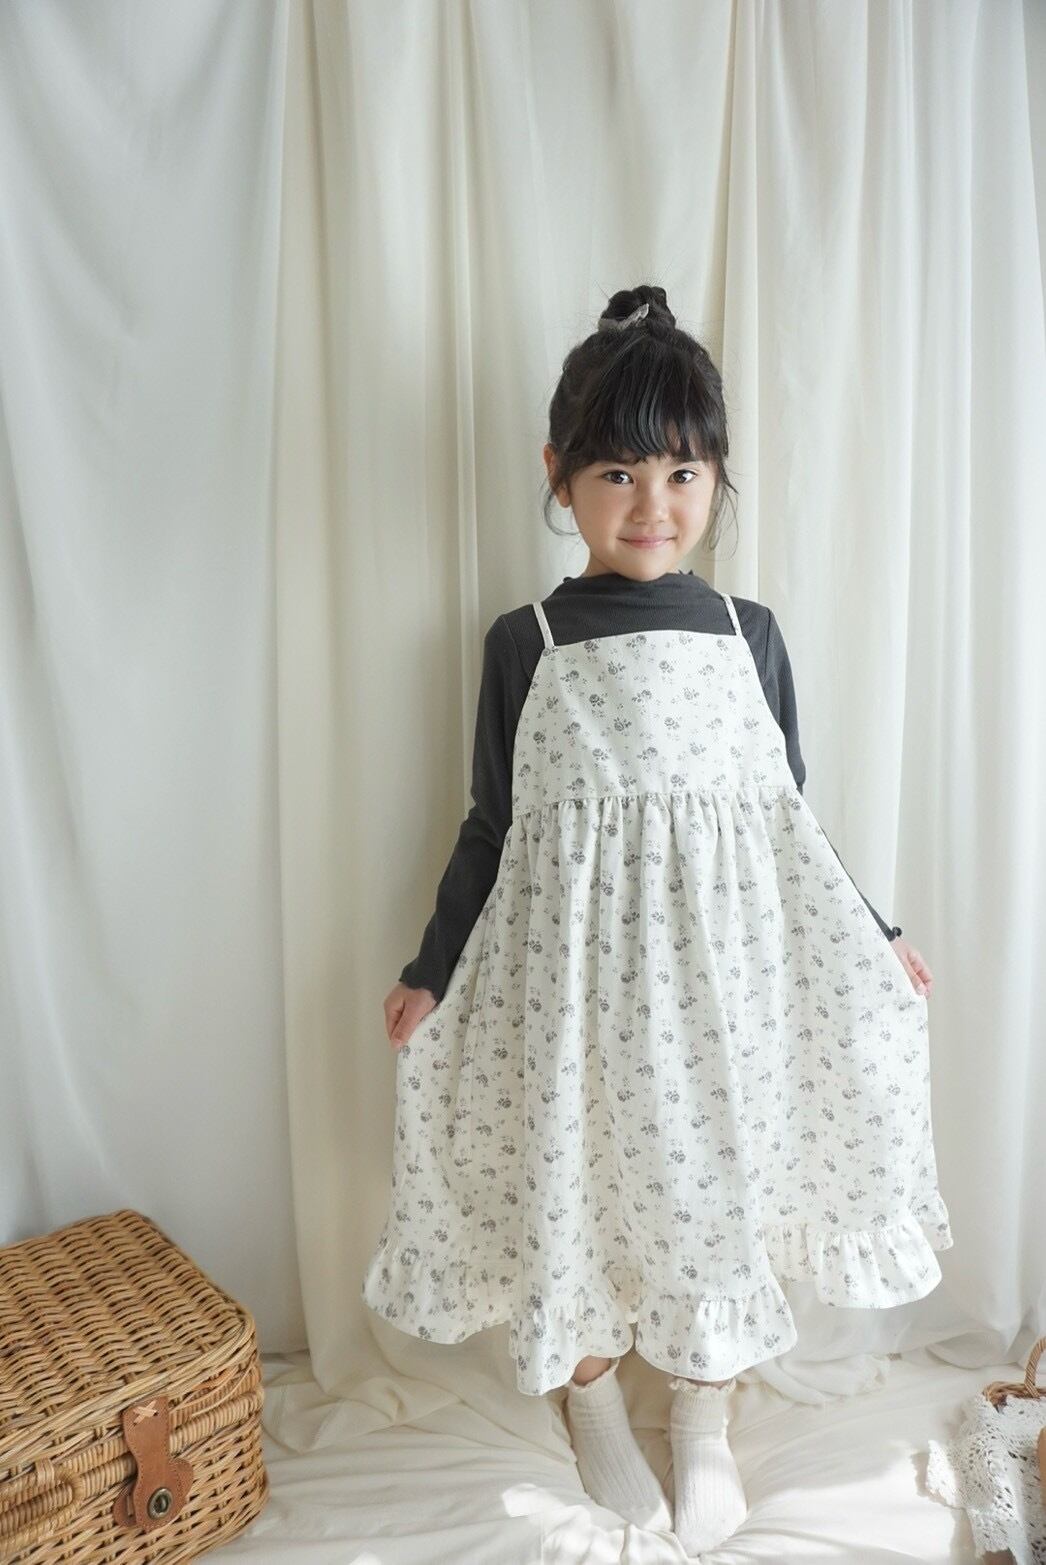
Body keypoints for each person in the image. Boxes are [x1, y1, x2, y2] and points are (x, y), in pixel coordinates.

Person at [361, 284, 953, 1556]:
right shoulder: (522, 642)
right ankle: (590, 1398)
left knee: (709, 1183)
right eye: (618, 473)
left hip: (720, 996)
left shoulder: (749, 633)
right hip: (572, 995)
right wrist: (430, 965)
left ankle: (700, 1410)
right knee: (572, 1173)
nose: (651, 503)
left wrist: (874, 928)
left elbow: (787, 823)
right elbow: (490, 824)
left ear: (715, 477)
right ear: (558, 476)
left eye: (682, 472)